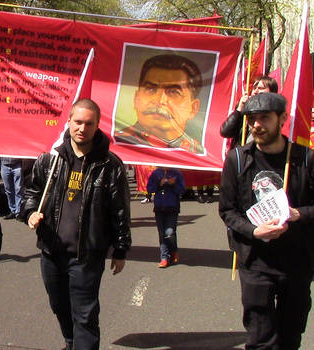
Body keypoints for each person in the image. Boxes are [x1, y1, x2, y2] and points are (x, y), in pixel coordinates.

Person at [21, 98, 132, 350]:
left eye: (89, 123)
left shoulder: (110, 165)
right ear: (69, 121)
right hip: (51, 252)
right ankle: (71, 342)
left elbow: (120, 210)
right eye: (78, 122)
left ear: (97, 126)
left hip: (86, 257)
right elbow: (31, 194)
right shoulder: (50, 160)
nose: (82, 128)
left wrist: (121, 248)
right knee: (59, 306)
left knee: (85, 315)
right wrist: (30, 213)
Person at [219, 92, 314, 349]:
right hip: (255, 263)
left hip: (296, 263)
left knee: (290, 336)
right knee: (261, 339)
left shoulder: (306, 159)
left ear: (282, 118)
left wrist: (299, 214)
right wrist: (253, 231)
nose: (256, 125)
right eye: (251, 120)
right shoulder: (238, 160)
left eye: (264, 118)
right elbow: (227, 210)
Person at [115, 54, 203, 153]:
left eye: (174, 92)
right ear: (136, 99)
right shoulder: (113, 145)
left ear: (193, 108)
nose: (160, 101)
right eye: (151, 89)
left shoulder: (201, 155)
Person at [220, 75, 278, 149]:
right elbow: (225, 132)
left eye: (261, 88)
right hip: (242, 157)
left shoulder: (274, 114)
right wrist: (240, 108)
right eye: (254, 88)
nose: (256, 91)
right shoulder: (245, 111)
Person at [147, 167, 185, 268]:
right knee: (161, 233)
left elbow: (182, 190)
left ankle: (174, 250)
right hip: (159, 208)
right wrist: (159, 184)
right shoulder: (156, 173)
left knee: (170, 232)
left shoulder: (176, 172)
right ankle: (164, 257)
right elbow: (149, 189)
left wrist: (173, 184)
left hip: (172, 207)